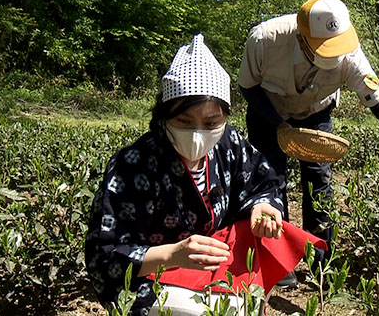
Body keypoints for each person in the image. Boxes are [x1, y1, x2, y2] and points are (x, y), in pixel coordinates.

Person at [85, 34, 311, 316]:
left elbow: (263, 181)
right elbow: (103, 256)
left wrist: (262, 206)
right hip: (155, 276)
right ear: (163, 115)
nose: (197, 134)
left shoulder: (230, 143)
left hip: (216, 264)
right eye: (184, 121)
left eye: (211, 122)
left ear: (226, 117)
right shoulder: (132, 164)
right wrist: (172, 254)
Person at [238, 0, 379, 288]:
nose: (333, 58)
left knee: (319, 181)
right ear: (302, 40)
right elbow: (248, 88)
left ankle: (320, 261)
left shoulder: (350, 54)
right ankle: (279, 259)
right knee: (271, 179)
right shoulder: (265, 39)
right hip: (268, 113)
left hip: (315, 112)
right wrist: (279, 124)